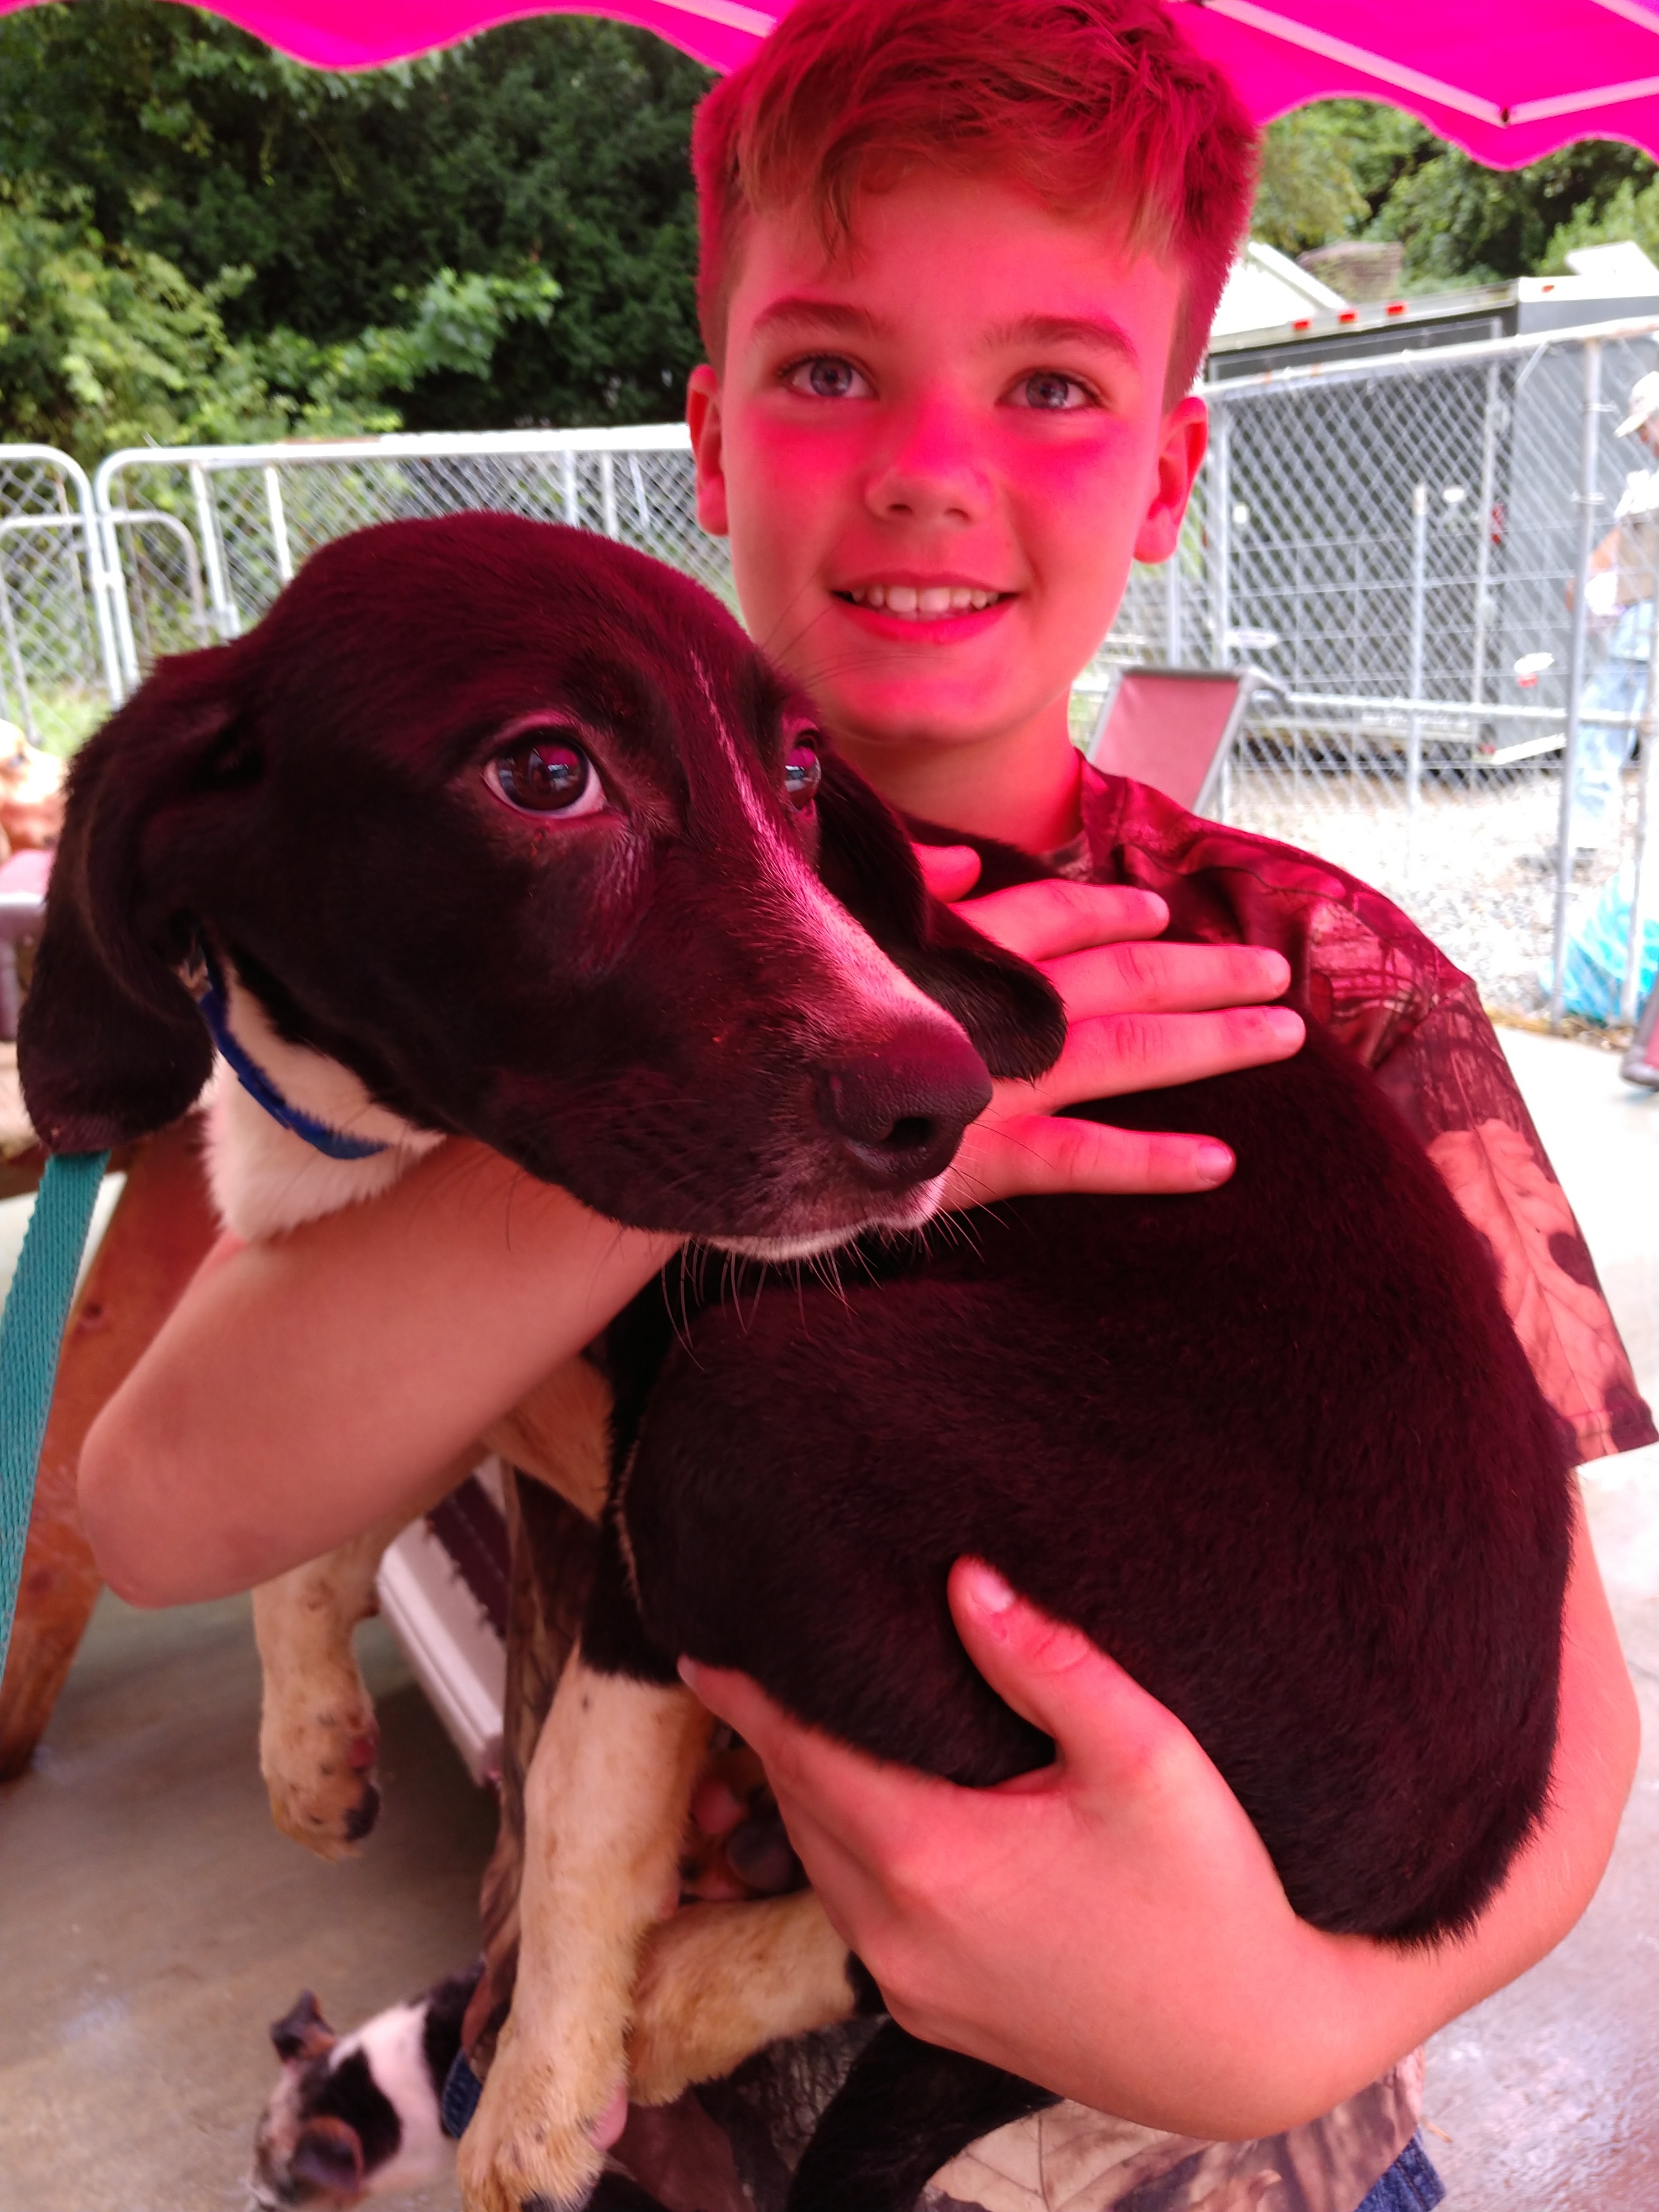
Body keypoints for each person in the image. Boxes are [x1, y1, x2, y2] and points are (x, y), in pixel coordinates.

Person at [80, 4, 1648, 2210]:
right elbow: (162, 1509)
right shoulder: (488, 988)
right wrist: (745, 1150)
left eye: (1052, 386)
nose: (930, 464)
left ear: (1172, 471)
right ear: (710, 439)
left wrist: (1293, 2021)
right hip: (655, 2138)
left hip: (1220, 2151)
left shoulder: (1322, 971)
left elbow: (1557, 1723)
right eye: (832, 373)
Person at [1567, 368, 1659, 860]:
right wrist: (1591, 579)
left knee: (1602, 727)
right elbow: (1624, 539)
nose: (1644, 439)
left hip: (1645, 631)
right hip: (1640, 625)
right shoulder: (1649, 484)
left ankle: (1583, 837)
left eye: (1646, 427)